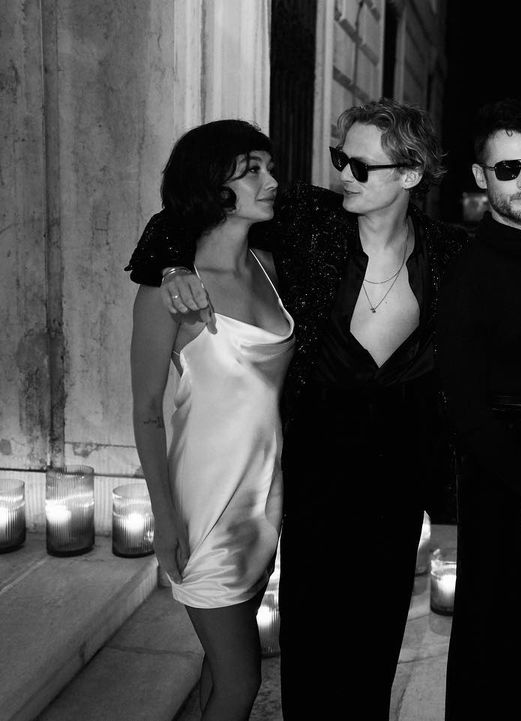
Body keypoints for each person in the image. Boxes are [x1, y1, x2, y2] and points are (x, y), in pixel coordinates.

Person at [125, 99, 469, 718]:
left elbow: (515, 270)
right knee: (299, 658)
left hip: (392, 489)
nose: (343, 176)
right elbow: (186, 211)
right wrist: (169, 263)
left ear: (411, 173)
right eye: (340, 160)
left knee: (373, 654)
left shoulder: (447, 253)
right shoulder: (312, 224)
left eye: (361, 167)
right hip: (308, 482)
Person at [130, 119, 291, 720]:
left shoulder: (271, 265)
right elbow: (147, 413)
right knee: (241, 684)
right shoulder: (170, 291)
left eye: (268, 167)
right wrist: (165, 519)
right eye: (252, 171)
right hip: (207, 505)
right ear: (212, 185)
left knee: (220, 668)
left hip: (265, 502)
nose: (271, 181)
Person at [438, 99, 521, 721]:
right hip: (501, 465)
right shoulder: (468, 270)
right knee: (491, 627)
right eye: (508, 168)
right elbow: (462, 402)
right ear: (480, 176)